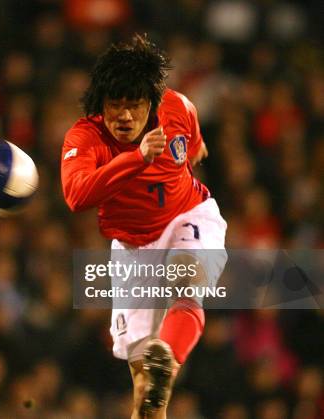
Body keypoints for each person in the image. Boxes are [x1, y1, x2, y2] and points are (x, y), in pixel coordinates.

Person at [61, 34, 227, 418]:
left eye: (134, 106)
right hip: (133, 251)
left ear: (152, 103)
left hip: (188, 216)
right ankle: (161, 366)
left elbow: (195, 148)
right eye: (114, 106)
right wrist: (137, 158)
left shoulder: (179, 108)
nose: (124, 116)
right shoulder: (84, 137)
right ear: (100, 104)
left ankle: (167, 353)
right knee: (147, 395)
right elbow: (76, 195)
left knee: (187, 278)